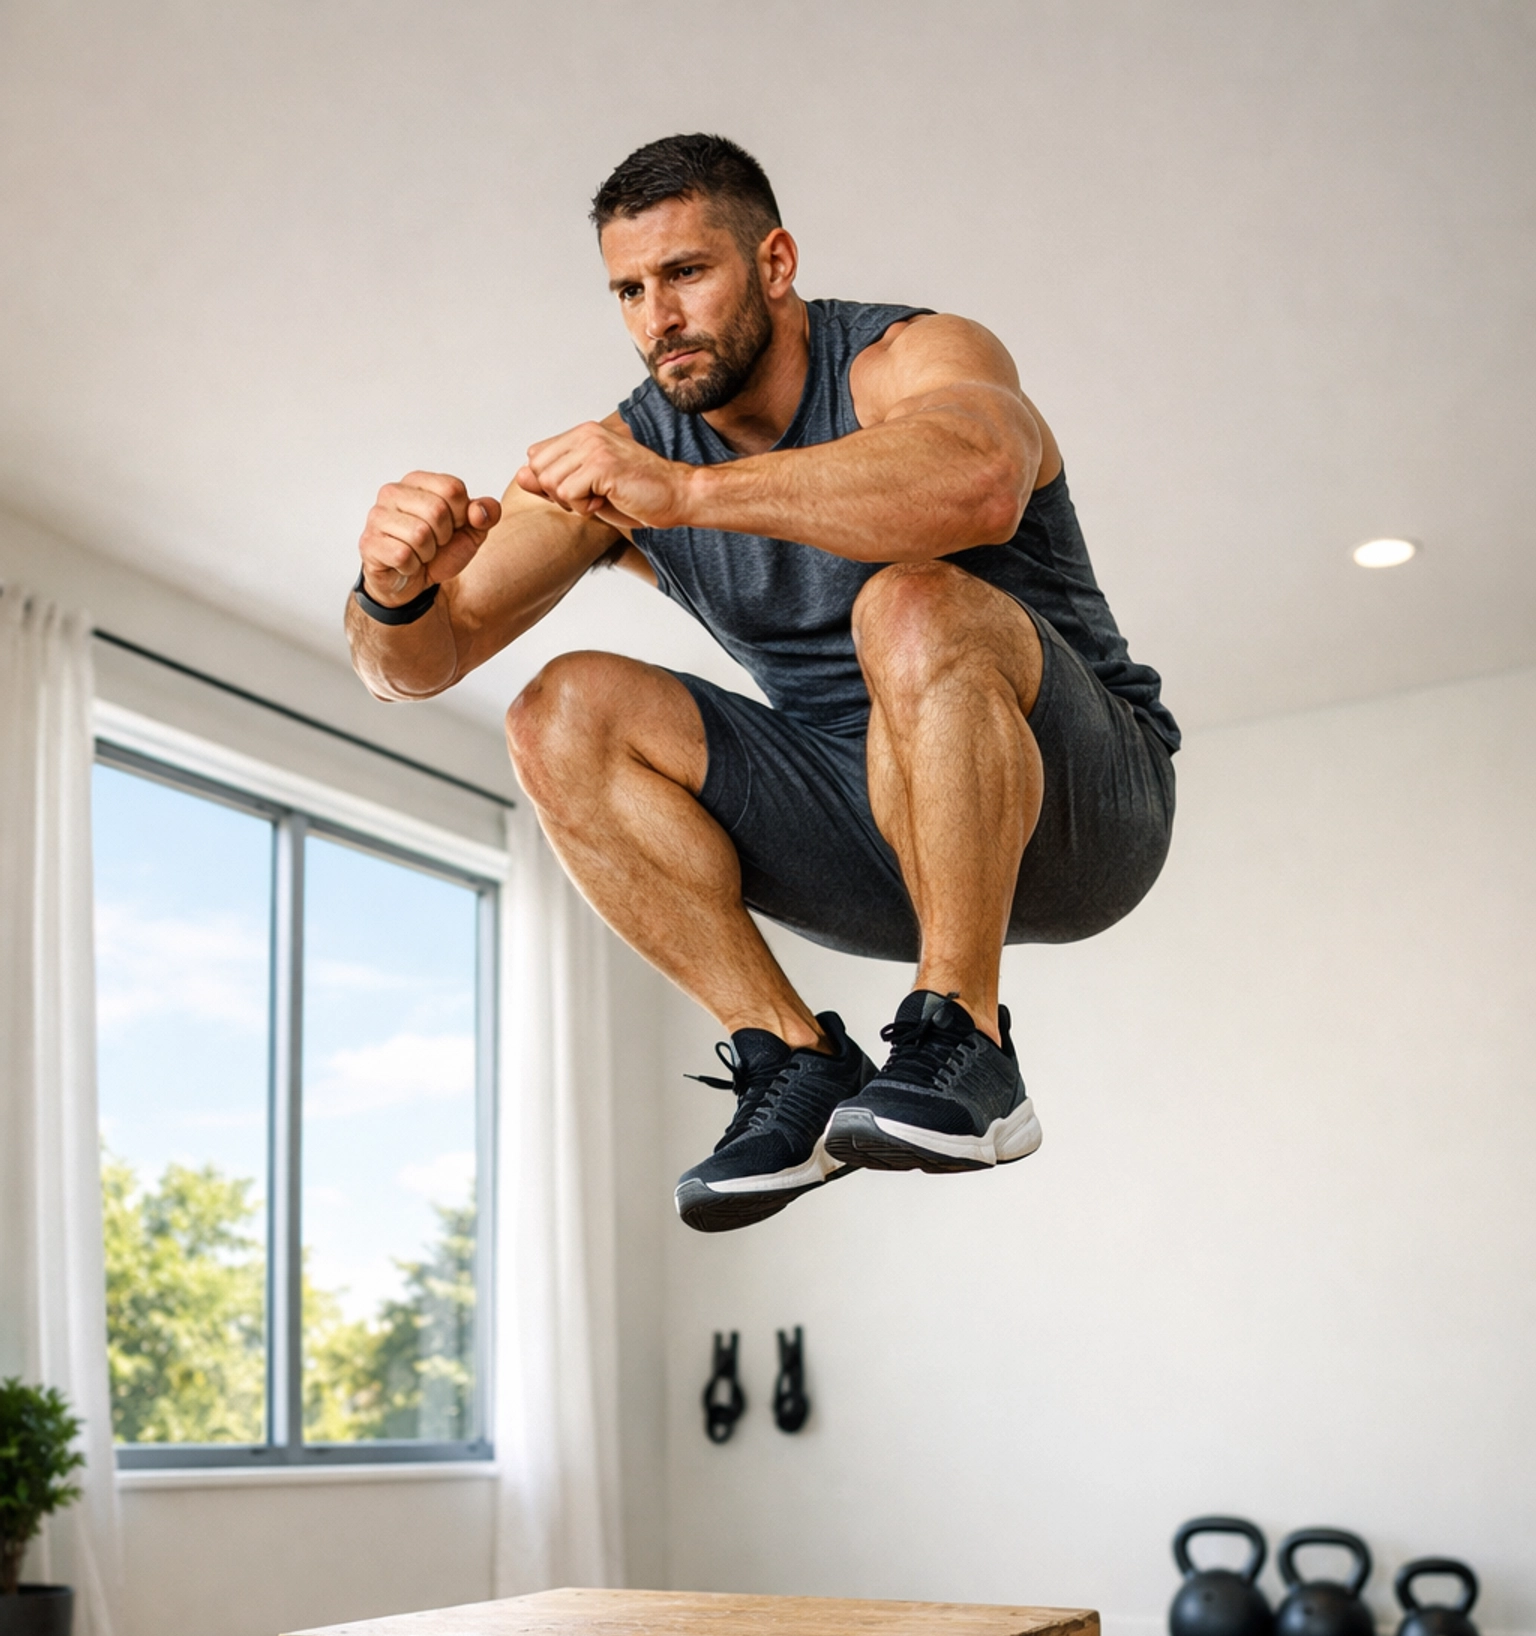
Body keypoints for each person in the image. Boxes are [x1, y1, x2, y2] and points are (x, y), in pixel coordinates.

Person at [347, 134, 1178, 1233]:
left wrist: (690, 496)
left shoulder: (902, 357)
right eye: (630, 291)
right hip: (869, 842)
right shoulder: (624, 453)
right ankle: (792, 1061)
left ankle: (967, 1037)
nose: (659, 317)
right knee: (559, 711)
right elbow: (416, 666)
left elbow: (980, 480)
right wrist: (391, 589)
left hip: (1088, 811)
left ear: (774, 263)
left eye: (687, 273)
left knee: (907, 600)